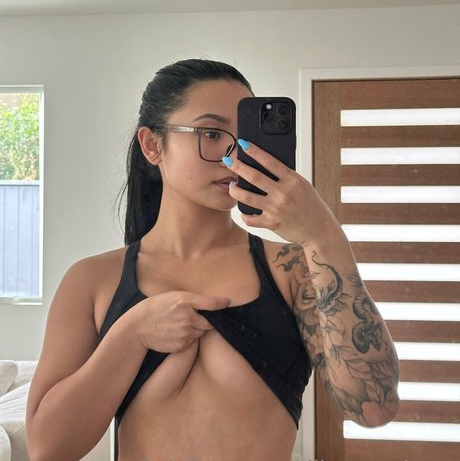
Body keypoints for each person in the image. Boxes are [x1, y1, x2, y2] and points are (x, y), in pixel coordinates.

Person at [26, 59, 400, 461]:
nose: (232, 154)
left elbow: (373, 407)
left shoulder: (292, 271)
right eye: (210, 133)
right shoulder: (92, 281)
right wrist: (129, 335)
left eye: (244, 137)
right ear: (152, 145)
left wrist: (323, 235)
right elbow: (48, 449)